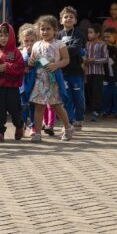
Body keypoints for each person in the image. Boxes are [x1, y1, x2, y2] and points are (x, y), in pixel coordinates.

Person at [29, 14, 74, 142]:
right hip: (40, 80)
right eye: (42, 29)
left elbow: (66, 60)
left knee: (57, 106)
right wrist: (31, 61)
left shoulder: (59, 44)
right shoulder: (36, 45)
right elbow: (32, 62)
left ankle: (68, 128)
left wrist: (56, 65)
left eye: (48, 29)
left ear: (55, 30)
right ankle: (37, 133)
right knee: (39, 106)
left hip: (53, 80)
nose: (45, 31)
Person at [0, 22, 25, 141]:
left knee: (15, 110)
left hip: (12, 88)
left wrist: (7, 67)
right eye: (1, 35)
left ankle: (19, 125)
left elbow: (20, 68)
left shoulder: (16, 52)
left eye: (6, 35)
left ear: (12, 36)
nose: (3, 38)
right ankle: (0, 132)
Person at [58, 6, 86, 128]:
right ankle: (70, 120)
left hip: (76, 72)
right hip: (62, 73)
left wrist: (60, 51)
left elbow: (75, 49)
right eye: (66, 17)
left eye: (71, 17)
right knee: (66, 98)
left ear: (75, 20)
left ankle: (79, 118)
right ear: (61, 20)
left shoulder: (79, 34)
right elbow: (52, 50)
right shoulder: (58, 35)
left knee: (78, 98)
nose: (68, 19)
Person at [84, 24, 107, 122]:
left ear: (97, 34)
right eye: (88, 32)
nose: (89, 34)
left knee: (97, 91)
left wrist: (94, 60)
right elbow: (84, 55)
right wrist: (84, 60)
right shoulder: (87, 44)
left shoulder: (102, 44)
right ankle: (99, 110)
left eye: (91, 32)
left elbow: (105, 59)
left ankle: (96, 111)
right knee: (90, 92)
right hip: (89, 72)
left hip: (98, 72)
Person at [19, 24, 38, 132]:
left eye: (32, 41)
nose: (29, 43)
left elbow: (45, 64)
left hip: (35, 83)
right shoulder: (19, 52)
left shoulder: (40, 51)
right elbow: (15, 66)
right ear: (22, 41)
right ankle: (22, 124)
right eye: (27, 41)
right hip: (23, 84)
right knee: (23, 105)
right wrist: (22, 69)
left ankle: (34, 126)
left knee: (34, 105)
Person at [102, 27, 117, 118]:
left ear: (115, 37)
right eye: (105, 37)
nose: (106, 39)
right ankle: (106, 111)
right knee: (106, 94)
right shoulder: (102, 48)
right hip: (106, 76)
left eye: (108, 37)